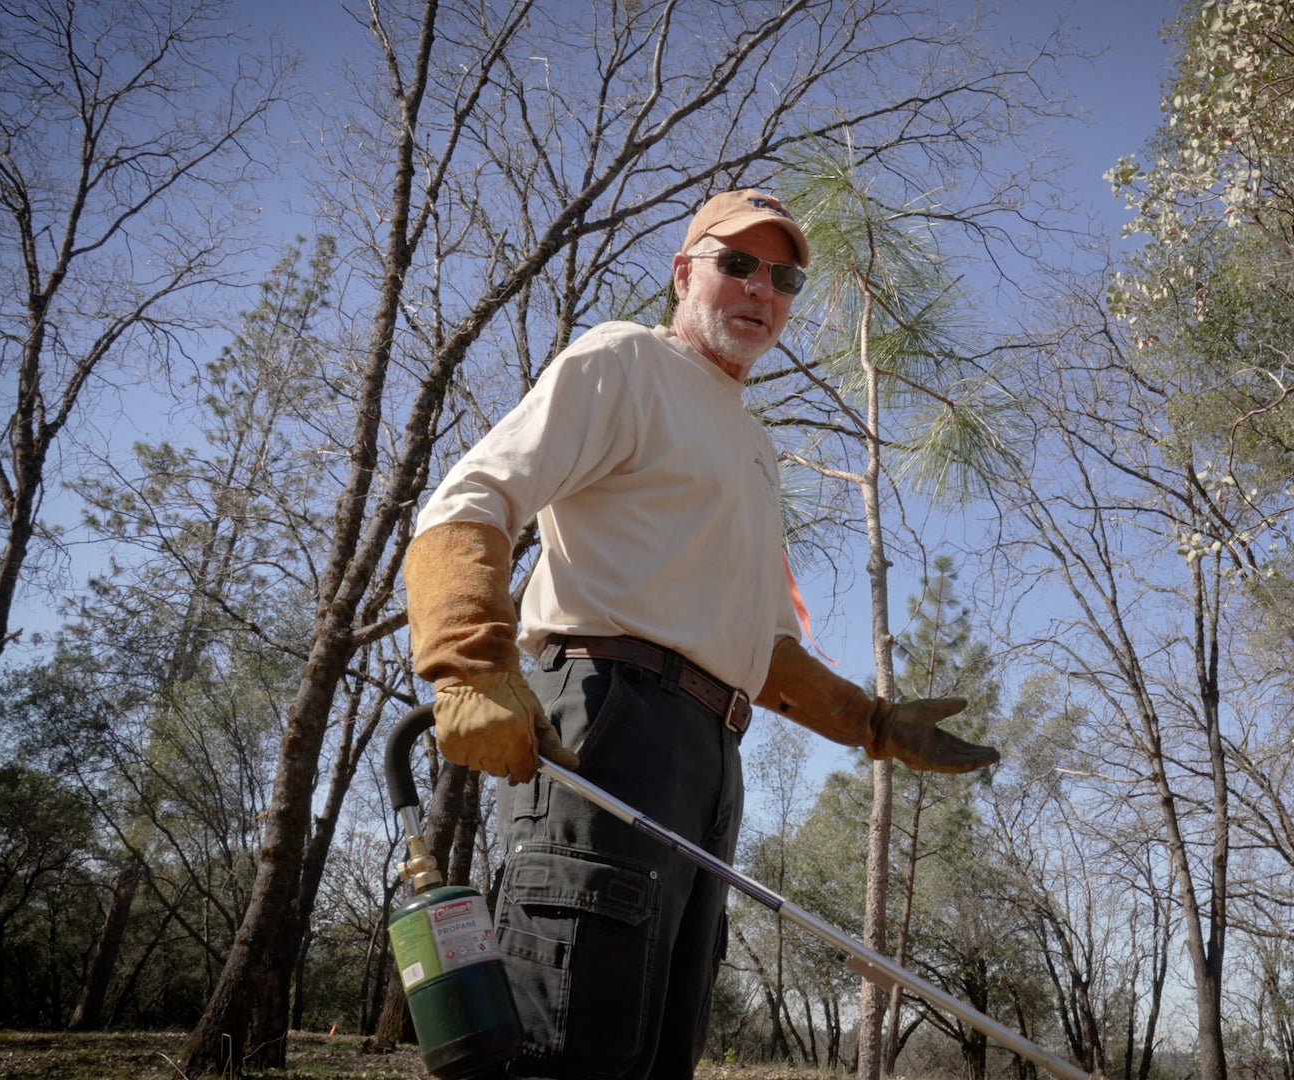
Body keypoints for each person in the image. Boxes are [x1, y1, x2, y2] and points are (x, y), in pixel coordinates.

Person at [401, 189, 999, 1080]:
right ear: (685, 273)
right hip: (604, 726)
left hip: (709, 757)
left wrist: (872, 724)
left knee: (656, 1053)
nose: (762, 289)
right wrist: (468, 662)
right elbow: (469, 500)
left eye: (785, 276)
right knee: (575, 1048)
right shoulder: (626, 359)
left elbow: (758, 648)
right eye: (738, 264)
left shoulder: (754, 447)